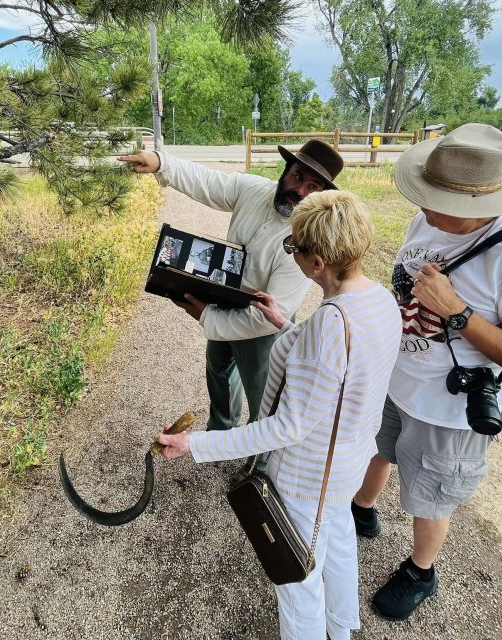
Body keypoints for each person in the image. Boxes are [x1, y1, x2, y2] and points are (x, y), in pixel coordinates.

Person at [156, 189, 403, 640]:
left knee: (296, 574)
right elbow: (338, 370)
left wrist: (197, 444)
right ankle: (342, 625)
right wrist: (285, 327)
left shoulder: (330, 324)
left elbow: (287, 426)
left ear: (317, 263)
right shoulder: (380, 301)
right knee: (339, 539)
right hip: (348, 462)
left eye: (295, 247)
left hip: (309, 474)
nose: (293, 255)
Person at [350, 123, 502, 620]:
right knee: (377, 448)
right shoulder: (426, 222)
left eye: (435, 197)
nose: (421, 204)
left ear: (476, 206)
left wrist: (457, 313)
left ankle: (421, 570)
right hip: (399, 381)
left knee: (431, 494)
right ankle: (361, 510)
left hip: (450, 412)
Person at [119, 141, 343, 436]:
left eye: (313, 186)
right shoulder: (254, 189)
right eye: (298, 177)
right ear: (286, 170)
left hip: (263, 323)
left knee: (263, 395)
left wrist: (207, 318)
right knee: (219, 369)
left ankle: (261, 465)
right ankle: (222, 432)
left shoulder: (305, 238)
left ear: (322, 194)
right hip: (224, 296)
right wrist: (161, 162)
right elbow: (207, 182)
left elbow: (271, 315)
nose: (300, 191)